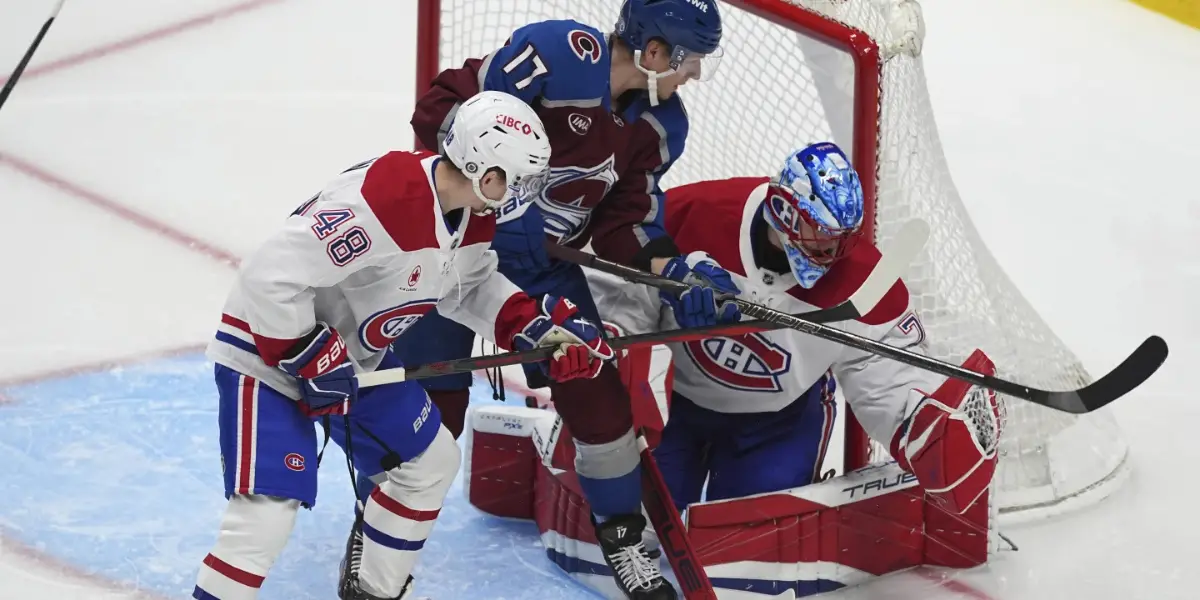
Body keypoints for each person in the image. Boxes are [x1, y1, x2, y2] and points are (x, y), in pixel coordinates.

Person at [192, 91, 616, 600]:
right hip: (268, 354)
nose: (525, 193)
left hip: (353, 361)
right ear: (485, 170)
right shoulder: (387, 198)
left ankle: (374, 592)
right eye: (518, 179)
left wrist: (537, 329)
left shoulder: (472, 213)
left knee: (430, 463)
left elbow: (470, 285)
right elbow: (270, 276)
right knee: (264, 514)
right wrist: (306, 352)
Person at [391, 1, 736, 598]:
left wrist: (673, 272)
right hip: (449, 252)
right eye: (691, 60)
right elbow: (439, 111)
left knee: (596, 388)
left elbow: (626, 223)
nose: (695, 76)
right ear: (655, 52)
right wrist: (490, 203)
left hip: (538, 271)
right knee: (430, 419)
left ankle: (622, 538)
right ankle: (380, 545)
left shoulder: (660, 125)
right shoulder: (559, 56)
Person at [589, 141, 1002, 515]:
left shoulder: (865, 280)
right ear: (784, 210)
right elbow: (616, 276)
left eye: (842, 237)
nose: (832, 250)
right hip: (677, 405)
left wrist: (916, 421)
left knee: (746, 541)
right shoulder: (696, 211)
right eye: (819, 232)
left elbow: (881, 369)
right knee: (640, 520)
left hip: (780, 421)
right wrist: (657, 301)